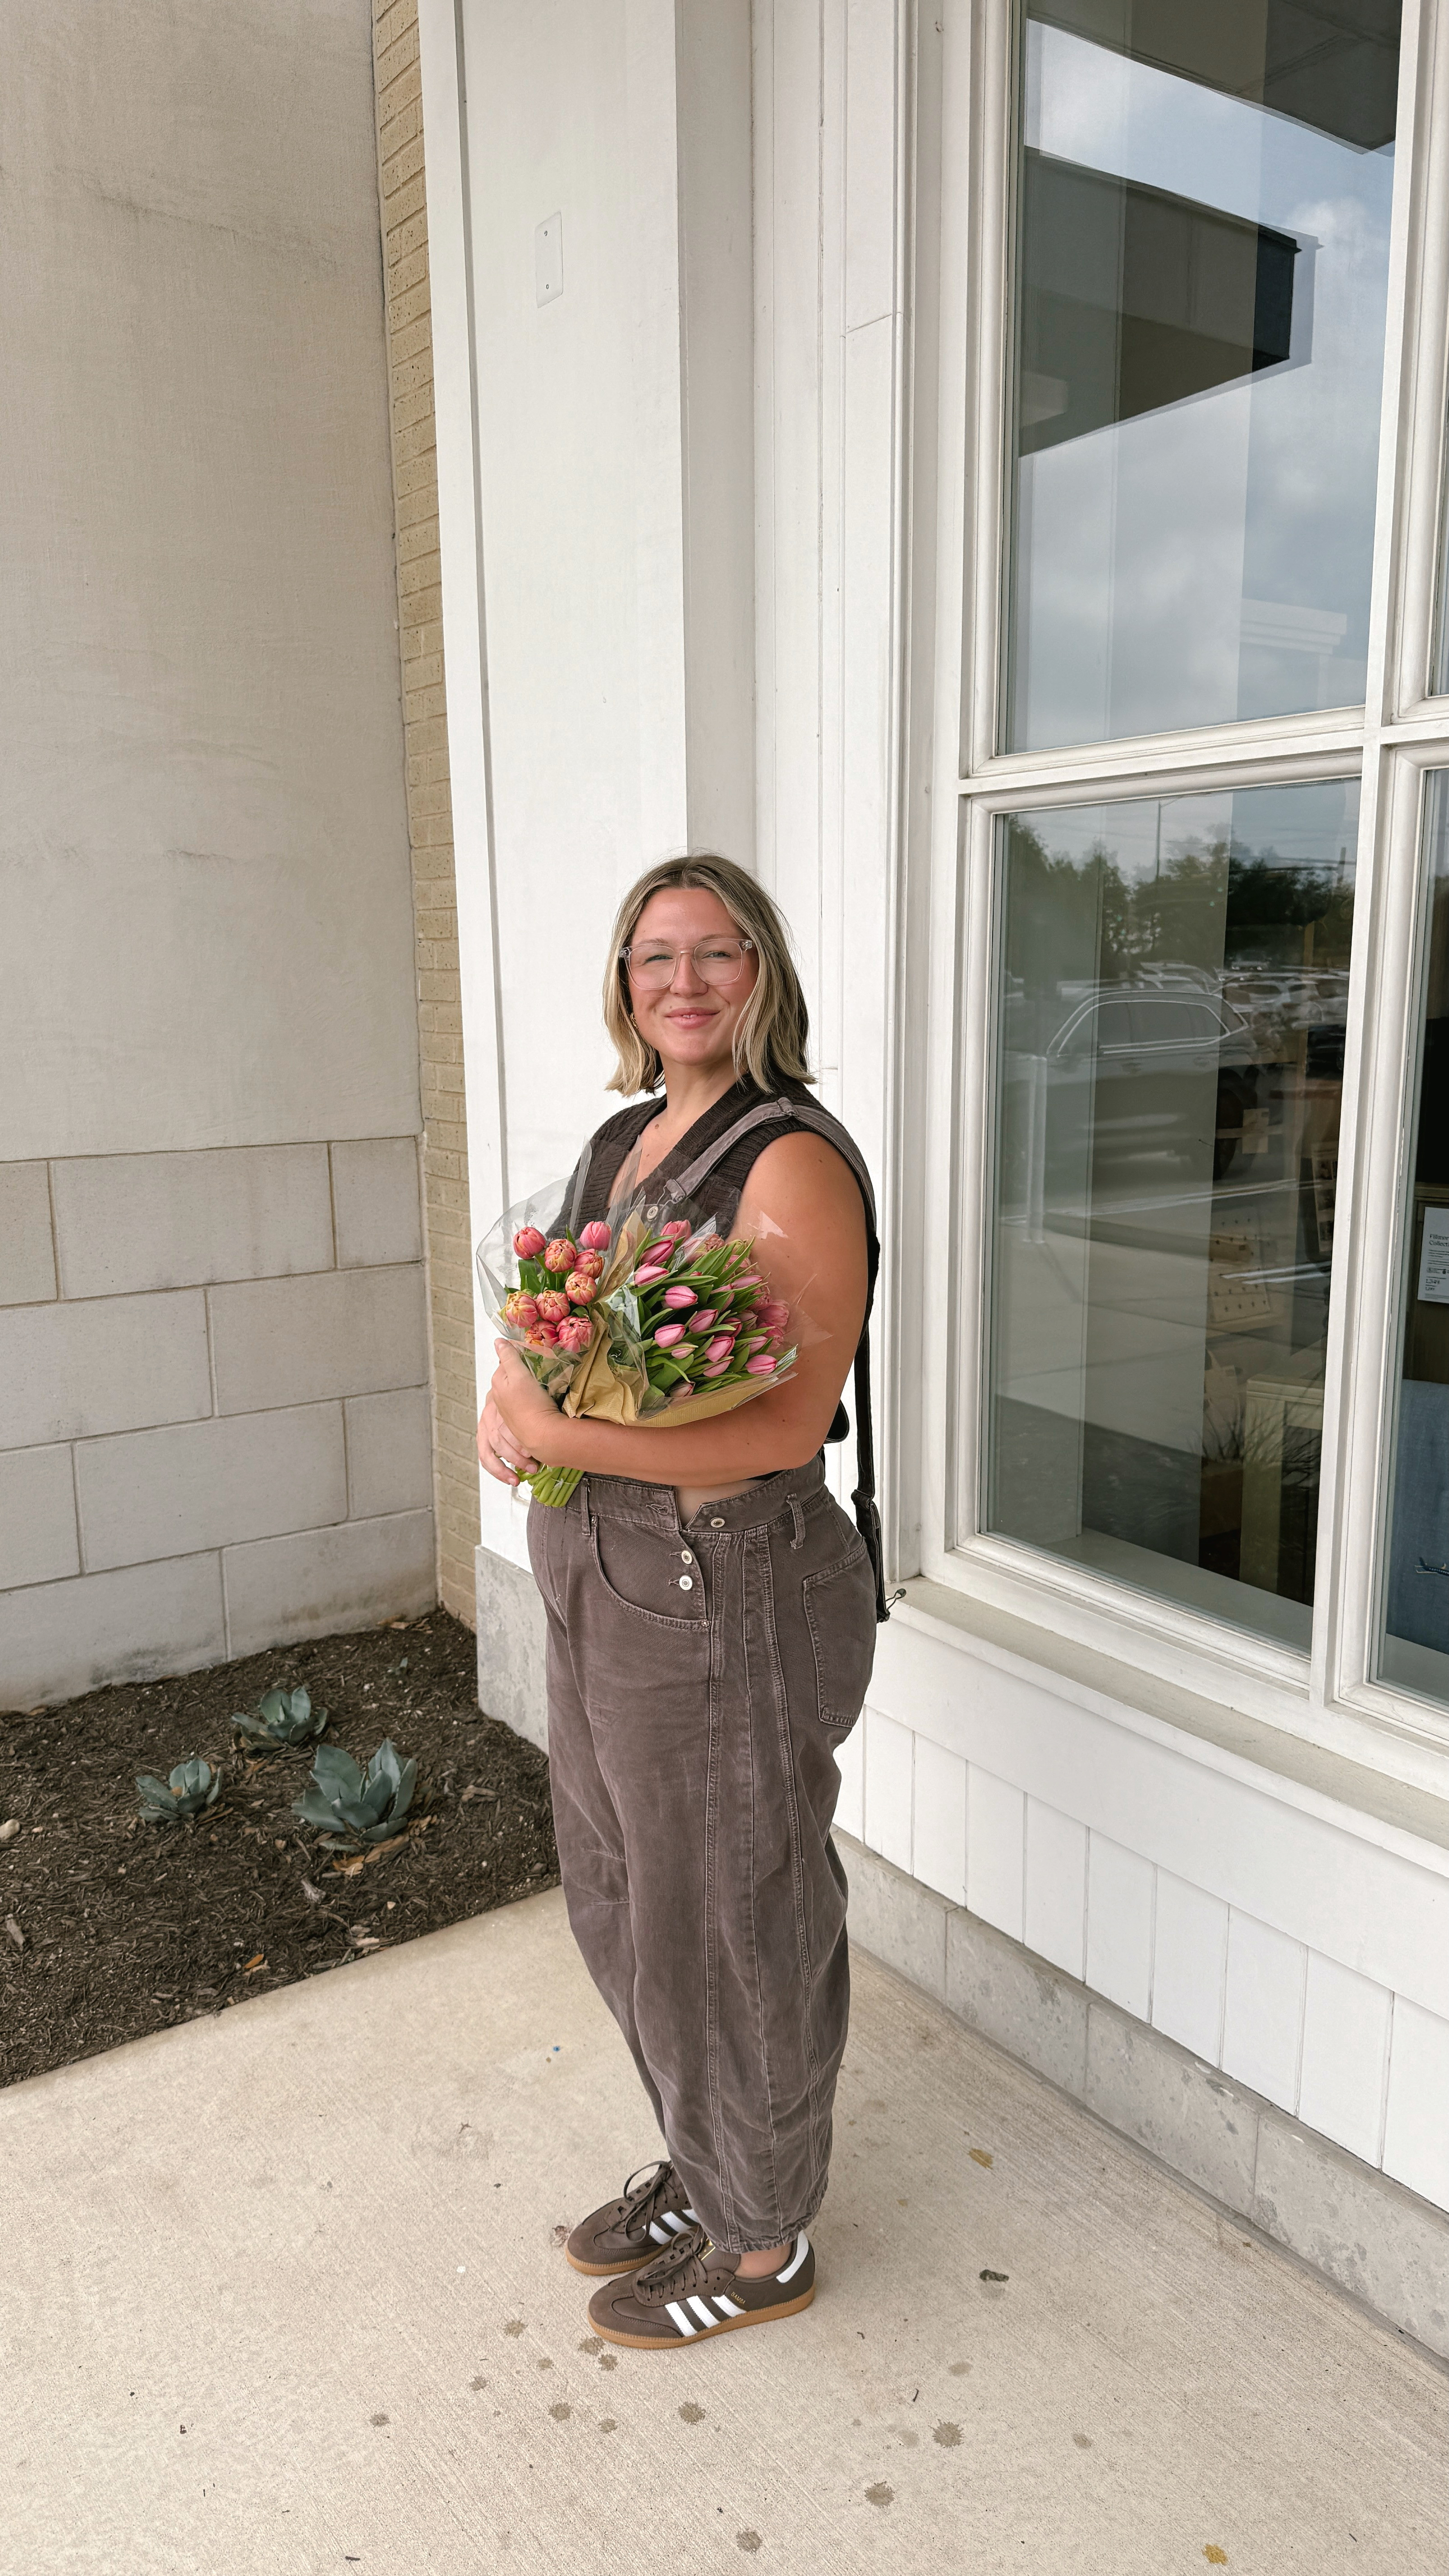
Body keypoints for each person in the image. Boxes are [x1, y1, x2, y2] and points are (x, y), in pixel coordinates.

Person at [477, 853, 881, 2351]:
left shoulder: (790, 1164)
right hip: (606, 1562)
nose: (685, 983)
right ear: (625, 983)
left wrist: (561, 1432)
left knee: (732, 1913)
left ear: (762, 977)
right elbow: (551, 1325)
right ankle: (710, 2163)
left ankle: (762, 2237)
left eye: (717, 955)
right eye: (656, 957)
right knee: (624, 1894)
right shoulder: (625, 1142)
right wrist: (504, 1399)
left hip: (726, 1585)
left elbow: (786, 1422)